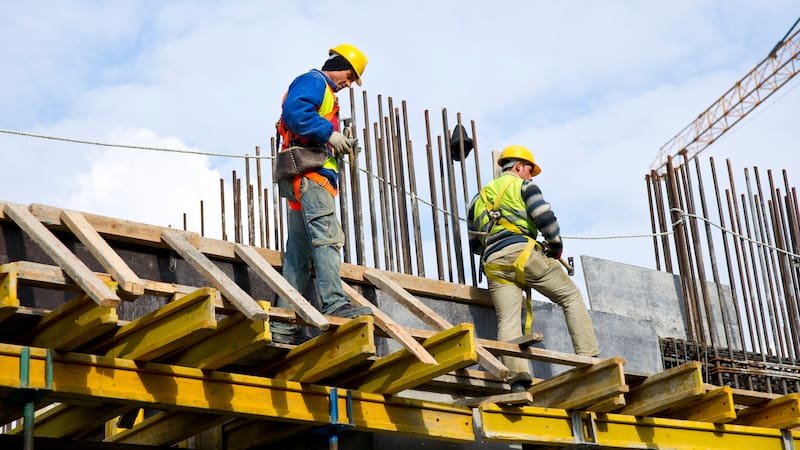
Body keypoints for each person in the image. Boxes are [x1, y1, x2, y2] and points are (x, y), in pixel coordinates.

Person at [467, 145, 599, 392]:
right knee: (570, 296)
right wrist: (555, 246)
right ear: (518, 167)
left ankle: (517, 380)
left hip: (494, 264)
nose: (531, 176)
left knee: (507, 320)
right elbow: (545, 218)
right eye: (529, 171)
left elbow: (475, 244)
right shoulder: (524, 186)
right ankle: (589, 359)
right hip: (524, 254)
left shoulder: (477, 199)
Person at [271, 44, 373, 344]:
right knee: (328, 239)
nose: (349, 83)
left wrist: (336, 141)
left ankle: (282, 325)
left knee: (299, 258)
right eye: (350, 75)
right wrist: (329, 134)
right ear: (339, 65)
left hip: (302, 179)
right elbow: (295, 112)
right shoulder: (315, 81)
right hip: (311, 178)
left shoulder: (325, 93)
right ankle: (335, 303)